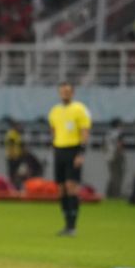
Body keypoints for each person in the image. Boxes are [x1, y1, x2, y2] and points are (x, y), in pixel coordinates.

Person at [48, 82, 91, 236]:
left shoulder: (79, 109)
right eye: (62, 92)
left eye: (67, 91)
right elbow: (53, 131)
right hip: (59, 150)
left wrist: (81, 153)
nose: (65, 94)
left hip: (73, 150)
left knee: (71, 186)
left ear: (73, 93)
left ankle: (73, 225)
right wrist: (54, 147)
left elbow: (84, 132)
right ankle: (66, 223)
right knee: (61, 189)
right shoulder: (54, 111)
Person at [104, 118, 124, 198]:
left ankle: (109, 193)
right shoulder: (118, 133)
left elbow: (103, 146)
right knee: (117, 175)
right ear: (118, 125)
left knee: (112, 175)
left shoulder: (108, 133)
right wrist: (120, 154)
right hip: (116, 155)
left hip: (108, 155)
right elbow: (119, 145)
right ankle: (116, 194)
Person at [4, 120, 25, 189]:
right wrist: (13, 156)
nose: (20, 127)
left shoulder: (16, 134)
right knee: (13, 174)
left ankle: (15, 187)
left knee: (16, 173)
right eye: (18, 126)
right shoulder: (12, 134)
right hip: (13, 158)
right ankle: (12, 188)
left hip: (16, 157)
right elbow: (11, 146)